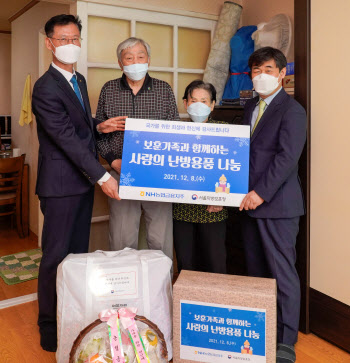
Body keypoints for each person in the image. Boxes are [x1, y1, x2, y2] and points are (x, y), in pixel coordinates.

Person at [32, 14, 122, 352]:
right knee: (55, 257)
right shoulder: (45, 88)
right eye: (63, 39)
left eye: (75, 39)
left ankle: (72, 315)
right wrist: (102, 176)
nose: (70, 45)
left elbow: (79, 125)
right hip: (60, 186)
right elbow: (66, 138)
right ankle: (48, 325)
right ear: (49, 43)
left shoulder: (79, 80)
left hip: (81, 183)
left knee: (77, 257)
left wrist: (100, 126)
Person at [239, 47, 306, 363]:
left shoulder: (292, 111)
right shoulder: (250, 105)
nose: (260, 75)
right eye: (255, 70)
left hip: (277, 205)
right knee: (256, 271)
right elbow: (241, 154)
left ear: (282, 73)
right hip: (247, 204)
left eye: (267, 69)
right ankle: (261, 330)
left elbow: (286, 159)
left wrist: (260, 193)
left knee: (282, 273)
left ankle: (286, 340)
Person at [96, 37, 179, 260]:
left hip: (157, 175)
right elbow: (99, 134)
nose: (135, 62)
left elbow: (174, 132)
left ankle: (161, 291)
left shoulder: (163, 89)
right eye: (129, 58)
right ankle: (123, 291)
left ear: (148, 60)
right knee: (121, 239)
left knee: (160, 240)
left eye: (140, 57)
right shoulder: (109, 89)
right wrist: (114, 162)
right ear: (120, 63)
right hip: (120, 173)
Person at [173, 80, 228, 274]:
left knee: (215, 264)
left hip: (214, 209)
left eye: (204, 101)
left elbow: (232, 170)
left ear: (213, 105)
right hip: (182, 209)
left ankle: (216, 304)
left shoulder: (225, 131)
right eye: (193, 100)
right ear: (186, 104)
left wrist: (222, 198)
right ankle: (188, 305)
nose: (198, 105)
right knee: (186, 264)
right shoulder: (174, 132)